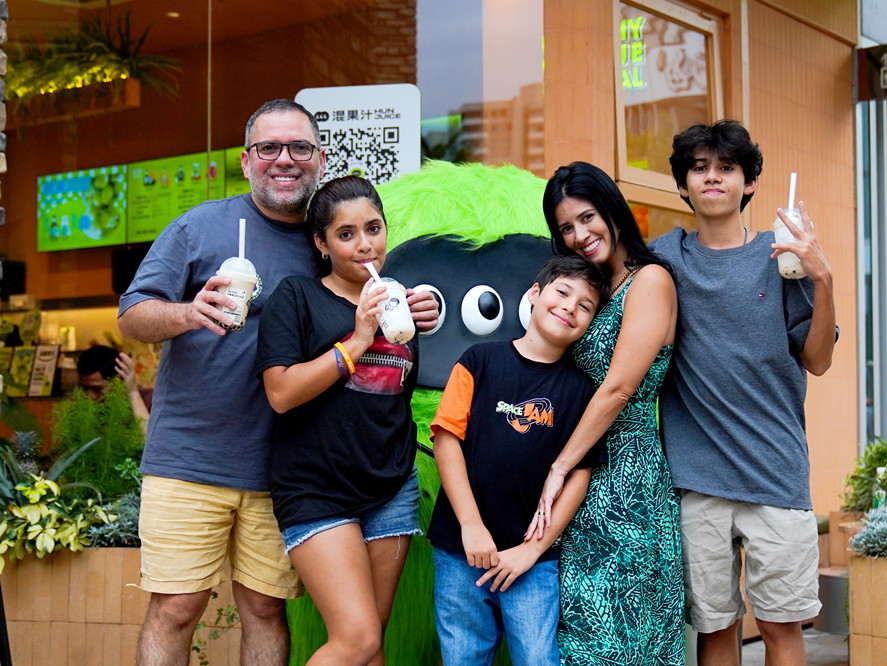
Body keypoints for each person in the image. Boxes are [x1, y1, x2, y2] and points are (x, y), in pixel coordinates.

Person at [118, 99, 439, 665]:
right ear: (246, 161)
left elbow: (367, 311)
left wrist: (419, 309)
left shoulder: (334, 235)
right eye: (269, 148)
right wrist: (191, 311)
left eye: (298, 148)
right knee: (176, 608)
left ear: (319, 158)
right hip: (193, 455)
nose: (283, 160)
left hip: (283, 462)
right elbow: (133, 315)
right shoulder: (201, 225)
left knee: (265, 609)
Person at [649, 119, 836, 666]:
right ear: (683, 185)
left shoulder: (783, 257)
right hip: (697, 478)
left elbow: (819, 360)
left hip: (774, 472)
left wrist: (822, 278)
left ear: (749, 183)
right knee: (715, 629)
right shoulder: (665, 258)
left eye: (726, 168)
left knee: (781, 629)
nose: (713, 178)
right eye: (699, 168)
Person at [254, 175, 427, 666]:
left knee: (372, 645)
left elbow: (392, 397)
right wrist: (356, 340)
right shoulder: (298, 296)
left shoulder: (398, 303)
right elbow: (281, 394)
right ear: (321, 244)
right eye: (346, 234)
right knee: (357, 639)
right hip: (317, 488)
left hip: (391, 486)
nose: (364, 243)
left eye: (373, 228)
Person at [527, 161, 686, 664]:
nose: (579, 235)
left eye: (587, 217)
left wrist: (559, 466)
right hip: (578, 479)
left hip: (626, 479)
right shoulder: (585, 293)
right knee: (580, 632)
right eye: (566, 228)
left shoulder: (650, 280)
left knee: (628, 634)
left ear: (613, 211)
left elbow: (618, 388)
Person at [428, 255, 609, 666]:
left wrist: (533, 550)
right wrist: (471, 526)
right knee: (462, 657)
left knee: (537, 659)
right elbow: (446, 439)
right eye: (563, 292)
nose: (570, 306)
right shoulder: (479, 360)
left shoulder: (582, 392)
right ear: (535, 294)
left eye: (585, 306)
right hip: (461, 552)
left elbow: (578, 478)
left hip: (532, 562)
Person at [76, 344, 151, 429]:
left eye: (97, 389)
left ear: (119, 379)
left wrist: (133, 393)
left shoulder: (149, 402)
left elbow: (154, 439)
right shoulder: (83, 410)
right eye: (84, 388)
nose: (90, 396)